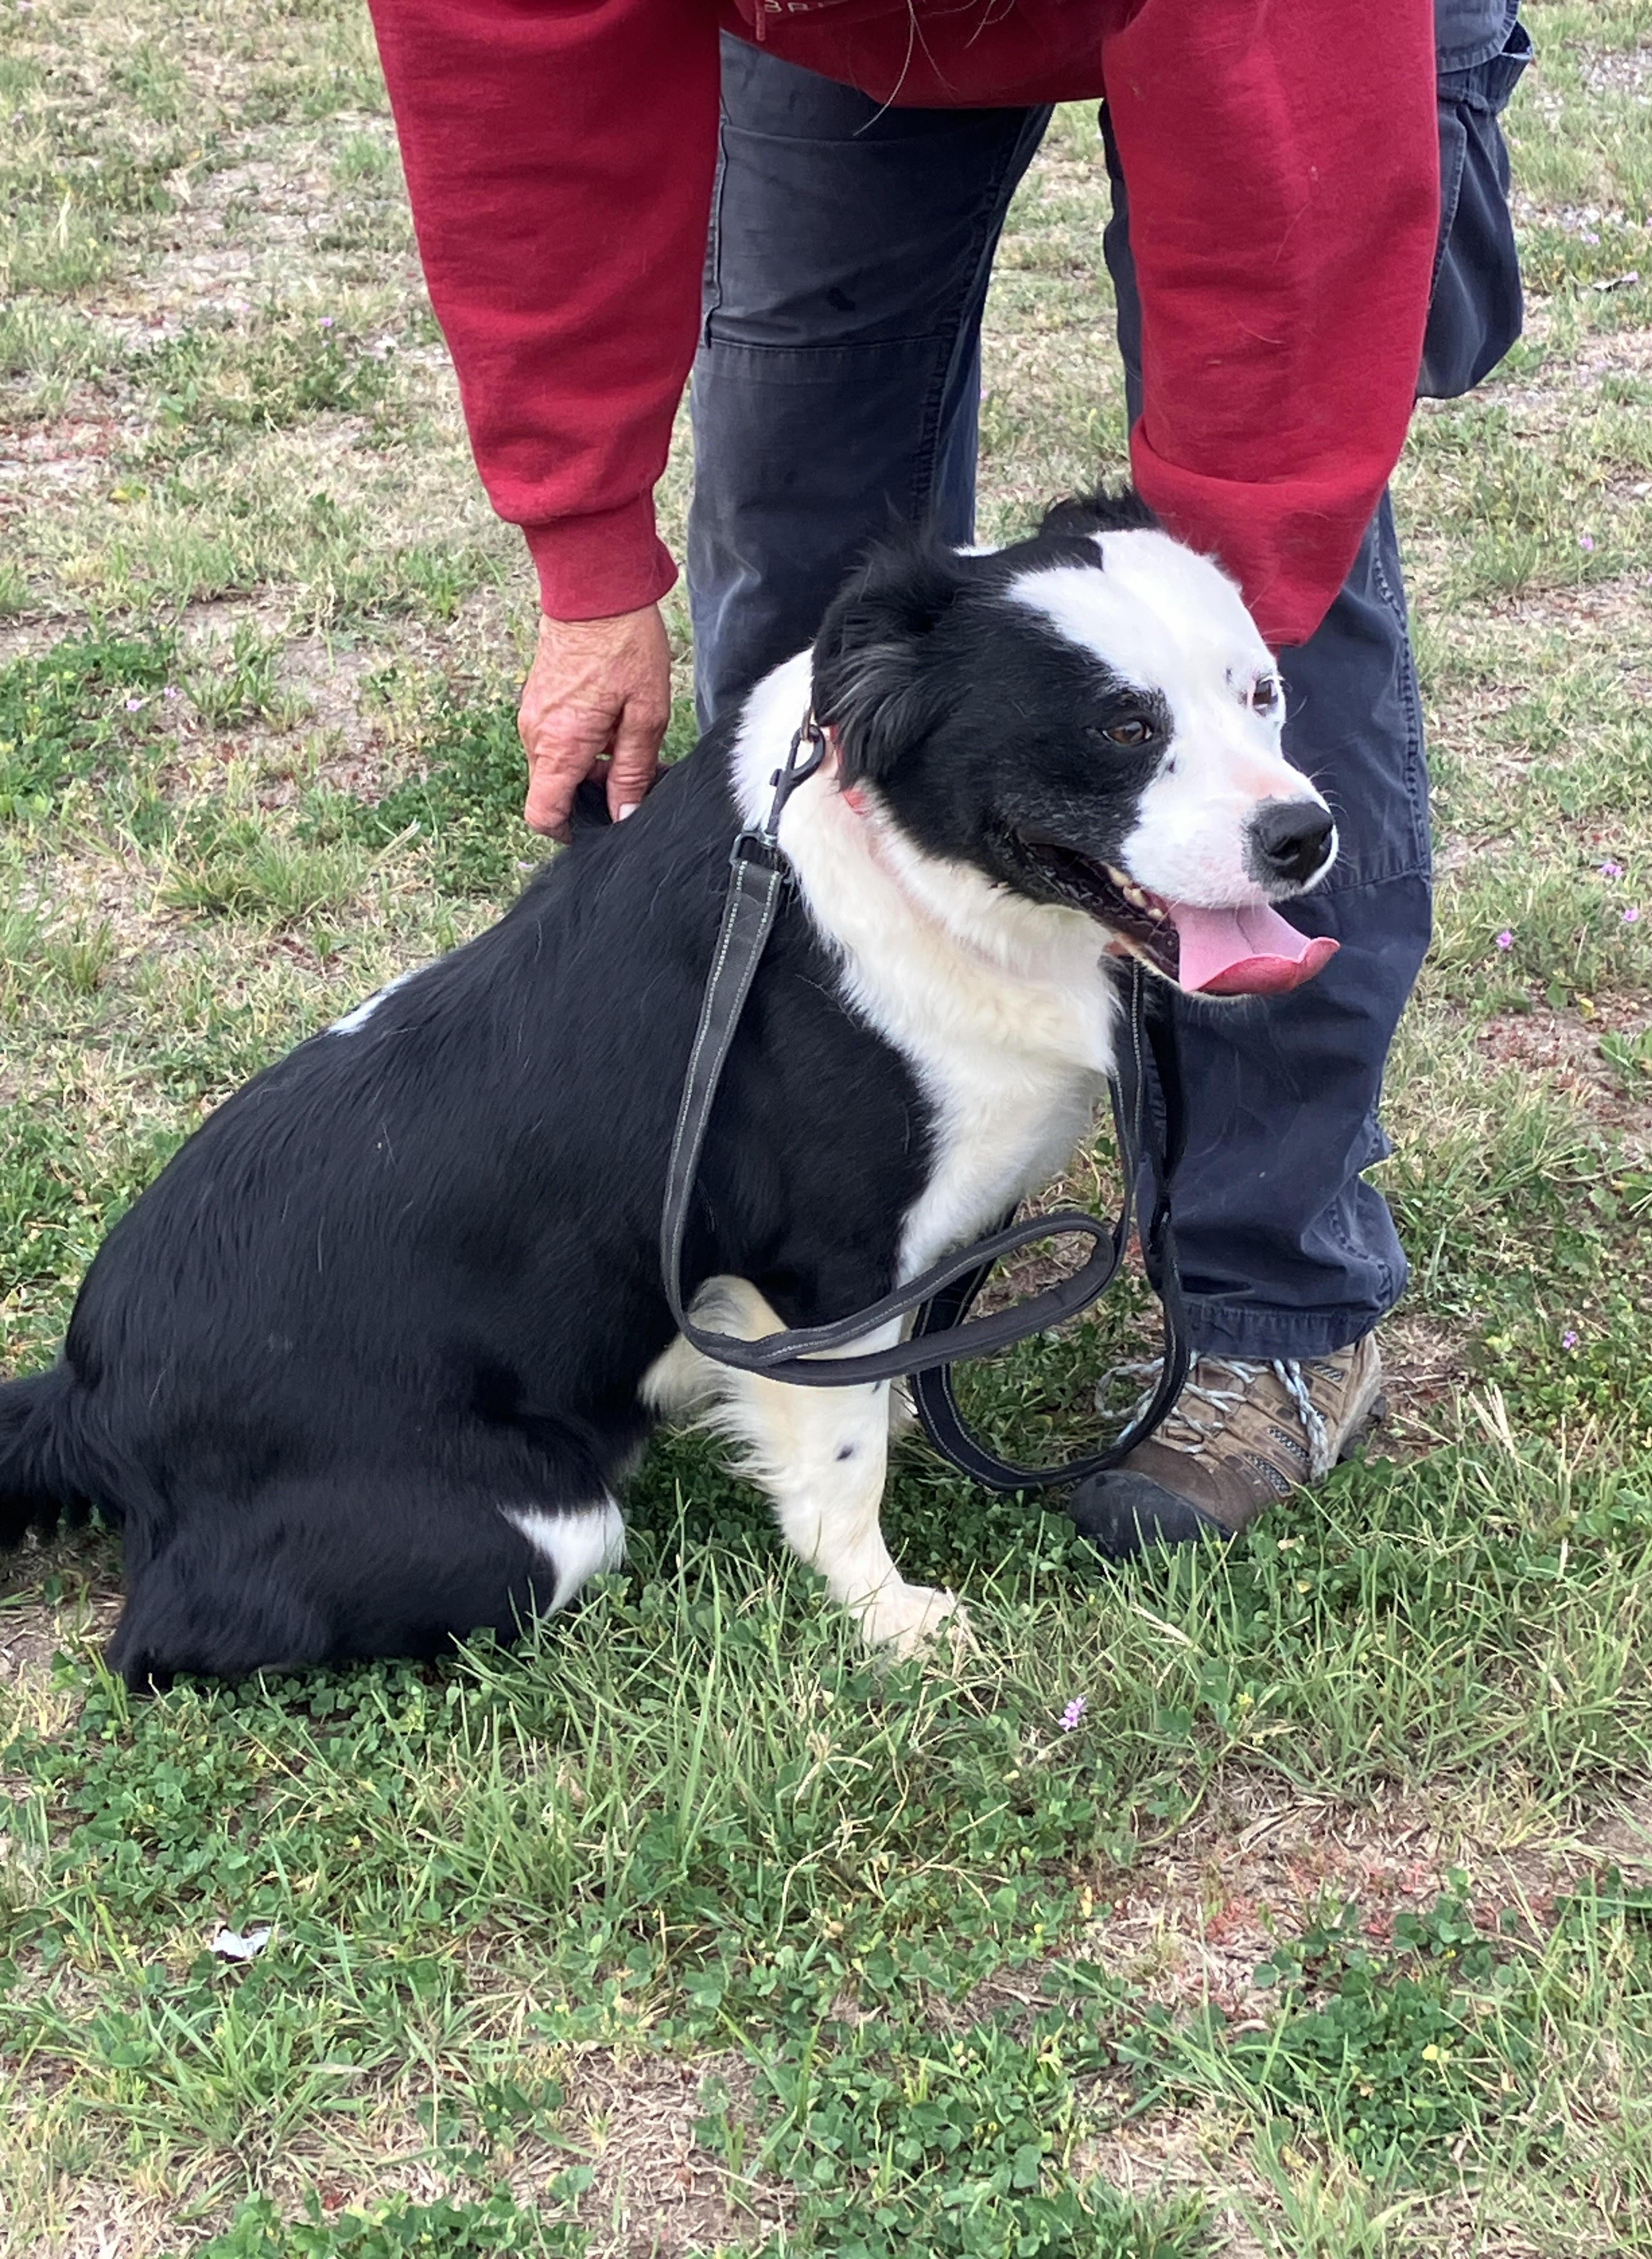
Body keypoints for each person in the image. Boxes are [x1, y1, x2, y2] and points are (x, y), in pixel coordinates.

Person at [364, 0, 1530, 1551]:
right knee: (797, 561)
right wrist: (586, 554)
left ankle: (1275, 1302)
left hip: (1285, 35)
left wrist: (1218, 653)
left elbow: (1285, 267)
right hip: (839, 33)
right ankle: (833, 1220)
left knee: (1264, 688)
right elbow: (509, 74)